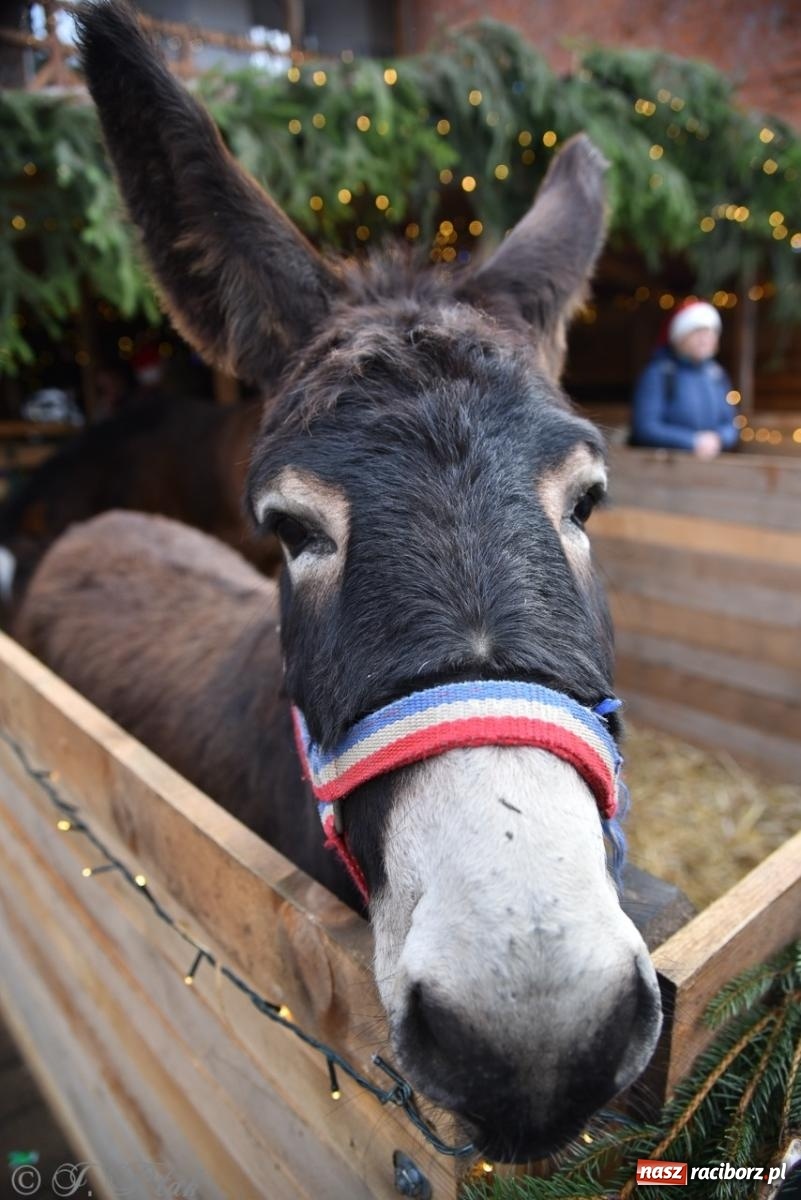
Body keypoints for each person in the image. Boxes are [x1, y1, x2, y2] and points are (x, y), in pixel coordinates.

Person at [630, 300, 739, 458]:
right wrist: (692, 442)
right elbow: (645, 427)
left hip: (713, 469)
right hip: (666, 470)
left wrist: (719, 439)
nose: (704, 339)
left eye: (710, 332)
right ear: (680, 337)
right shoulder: (659, 374)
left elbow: (731, 423)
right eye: (697, 332)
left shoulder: (717, 375)